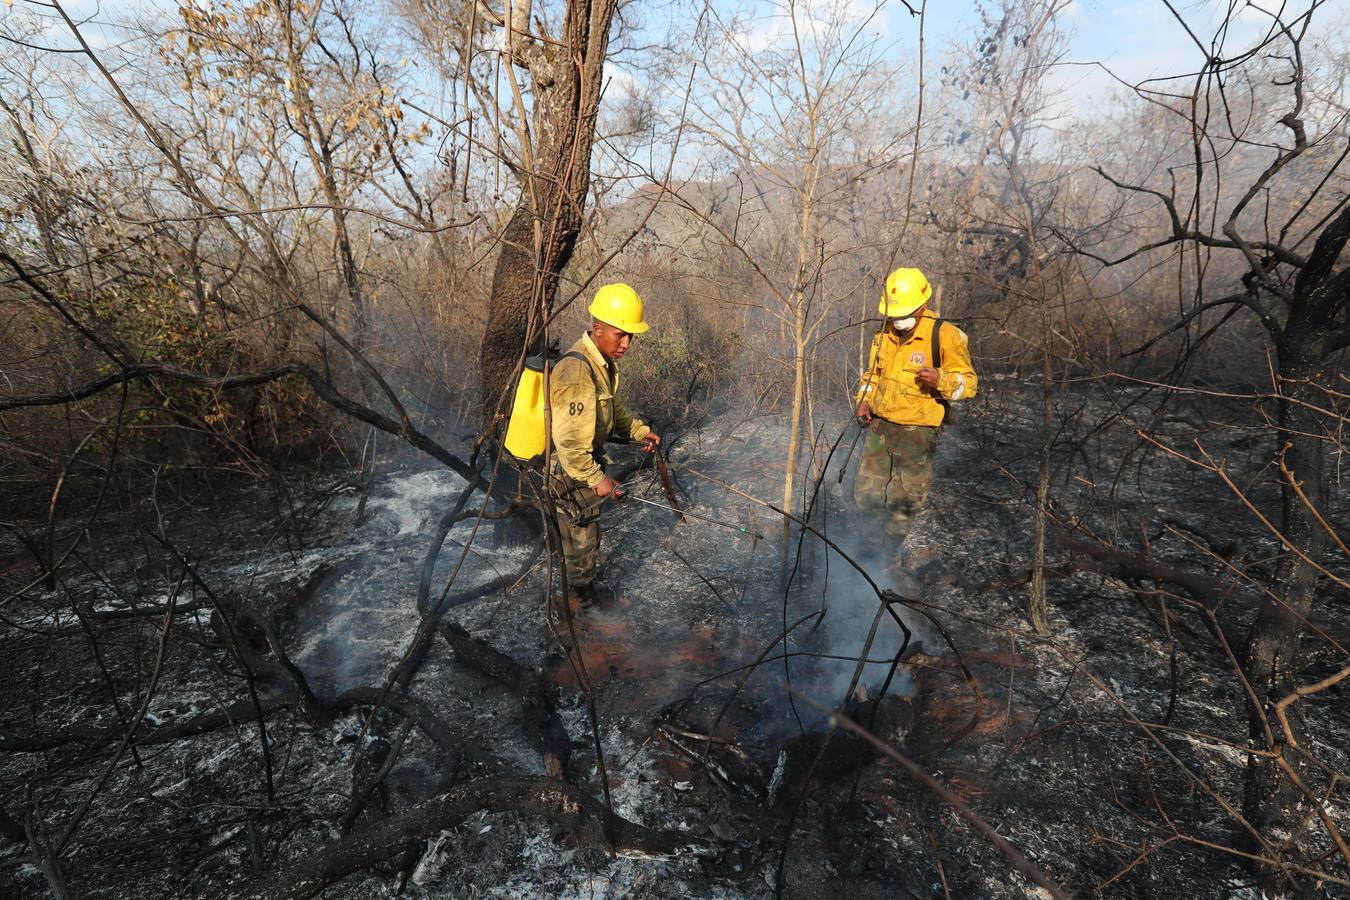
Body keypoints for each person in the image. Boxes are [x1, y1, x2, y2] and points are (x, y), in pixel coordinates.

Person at [548, 282, 660, 618]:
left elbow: (611, 411)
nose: (626, 343)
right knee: (581, 536)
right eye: (619, 334)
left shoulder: (600, 363)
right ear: (598, 329)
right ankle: (580, 605)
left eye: (631, 336)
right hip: (569, 468)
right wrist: (597, 479)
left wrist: (638, 430)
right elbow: (569, 443)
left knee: (586, 531)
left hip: (580, 463)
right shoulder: (577, 370)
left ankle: (583, 591)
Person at [853, 266, 977, 550]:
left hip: (917, 432)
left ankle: (890, 550)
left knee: (906, 496)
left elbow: (969, 385)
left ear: (924, 304)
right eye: (895, 314)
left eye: (906, 313)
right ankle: (869, 544)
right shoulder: (883, 334)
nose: (900, 320)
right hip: (880, 426)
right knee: (867, 491)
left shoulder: (945, 335)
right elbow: (872, 375)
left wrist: (942, 380)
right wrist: (864, 399)